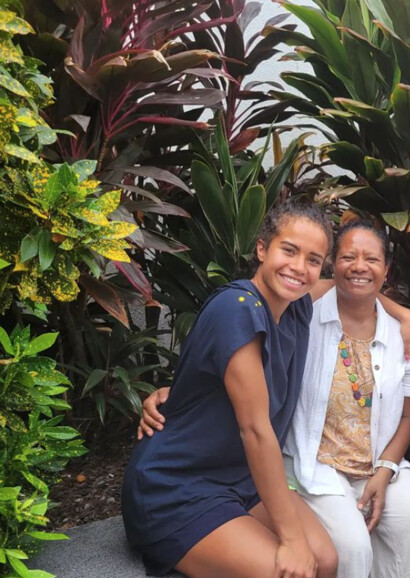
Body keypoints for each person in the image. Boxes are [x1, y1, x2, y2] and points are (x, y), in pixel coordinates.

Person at [122, 201, 338, 578]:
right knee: (287, 571)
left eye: (313, 259)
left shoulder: (296, 303)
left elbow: (349, 284)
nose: (299, 268)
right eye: (288, 250)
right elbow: (255, 430)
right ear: (261, 248)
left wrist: (403, 317)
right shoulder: (236, 310)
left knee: (327, 560)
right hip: (177, 485)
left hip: (238, 477)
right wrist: (291, 540)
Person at [284, 220, 410, 578]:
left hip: (377, 463)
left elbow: (406, 418)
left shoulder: (402, 336)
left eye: (371, 259)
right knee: (352, 548)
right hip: (317, 465)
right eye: (348, 257)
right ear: (333, 265)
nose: (359, 266)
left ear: (386, 270)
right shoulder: (303, 314)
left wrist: (386, 469)